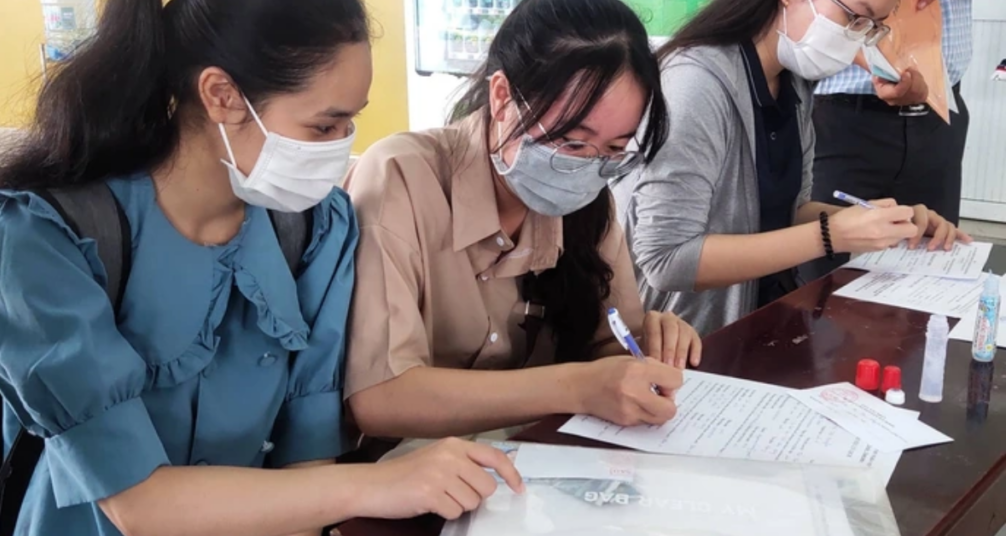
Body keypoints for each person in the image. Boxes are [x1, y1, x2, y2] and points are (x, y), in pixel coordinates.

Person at [0, 1, 523, 535]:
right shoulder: (44, 236)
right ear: (222, 95)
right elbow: (139, 502)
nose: (342, 146)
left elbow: (306, 455)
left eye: (351, 122)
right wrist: (381, 484)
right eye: (324, 126)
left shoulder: (317, 227)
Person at [343, 0, 699, 446]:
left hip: (534, 459)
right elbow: (381, 397)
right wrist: (577, 387)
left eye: (614, 150)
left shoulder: (590, 201)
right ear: (501, 97)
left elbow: (609, 342)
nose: (587, 168)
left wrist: (647, 351)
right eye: (571, 142)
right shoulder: (400, 177)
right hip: (406, 468)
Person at [611, 0, 971, 335]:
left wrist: (886, 222)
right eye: (853, 17)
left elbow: (790, 210)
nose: (856, 40)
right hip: (692, 339)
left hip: (766, 317)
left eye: (871, 27)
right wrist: (830, 234)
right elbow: (668, 260)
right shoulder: (695, 83)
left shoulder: (790, 79)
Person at [804, 0, 974, 280]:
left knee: (931, 264)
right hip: (840, 112)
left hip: (939, 109)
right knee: (819, 271)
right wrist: (874, 55)